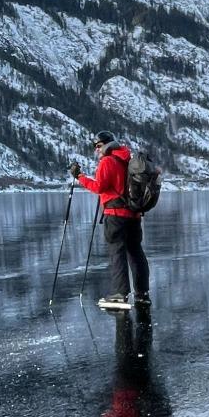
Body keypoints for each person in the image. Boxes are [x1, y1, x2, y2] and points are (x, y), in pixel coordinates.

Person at [74, 132, 149, 309]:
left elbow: (99, 187)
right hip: (133, 216)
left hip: (115, 215)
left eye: (98, 146)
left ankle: (120, 295)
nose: (97, 150)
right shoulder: (127, 160)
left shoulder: (107, 161)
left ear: (108, 145)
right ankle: (142, 293)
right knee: (136, 253)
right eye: (95, 147)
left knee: (117, 254)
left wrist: (80, 177)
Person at [94, 309, 173, 417]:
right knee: (125, 351)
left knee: (141, 352)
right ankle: (125, 319)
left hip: (138, 389)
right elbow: (116, 416)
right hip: (125, 388)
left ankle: (142, 320)